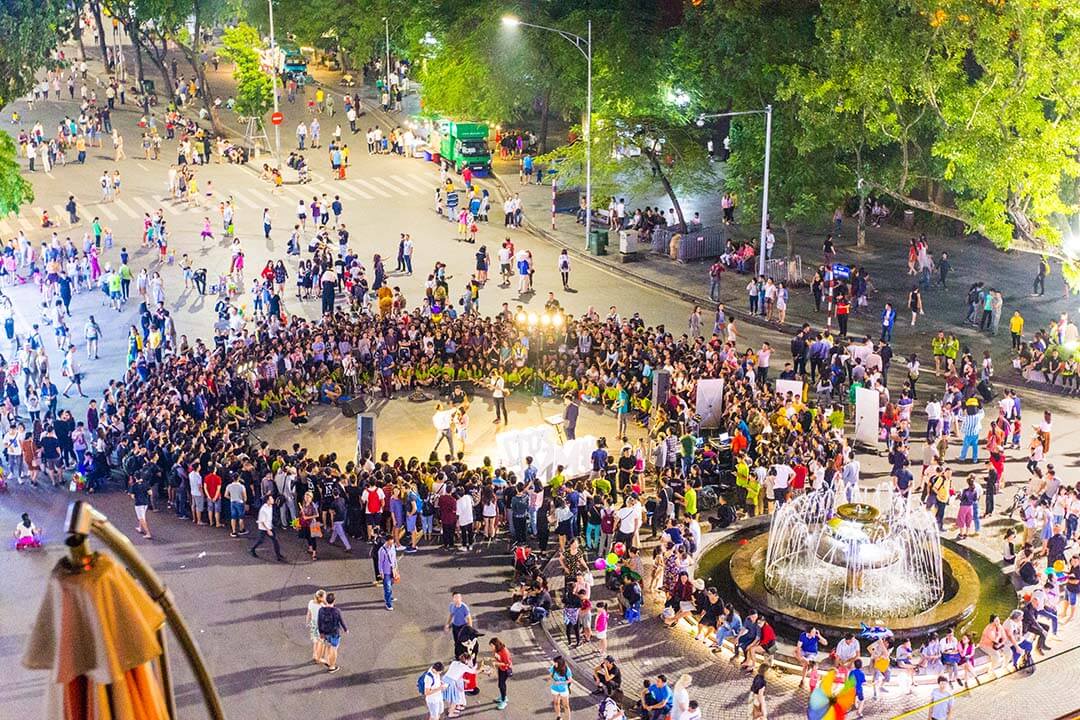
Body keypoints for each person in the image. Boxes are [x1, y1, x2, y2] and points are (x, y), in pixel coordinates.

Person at [316, 592, 348, 673]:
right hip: (334, 633)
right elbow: (341, 621)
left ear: (326, 600)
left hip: (325, 632)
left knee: (329, 645)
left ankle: (326, 659)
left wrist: (321, 633)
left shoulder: (321, 610)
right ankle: (332, 666)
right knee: (334, 648)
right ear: (334, 601)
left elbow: (319, 622)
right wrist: (345, 629)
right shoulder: (336, 611)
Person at [251, 494, 285, 561]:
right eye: (271, 499)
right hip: (263, 528)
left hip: (270, 526)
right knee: (260, 541)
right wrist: (268, 530)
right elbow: (262, 521)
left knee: (275, 541)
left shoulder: (272, 506)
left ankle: (278, 555)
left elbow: (277, 506)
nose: (273, 500)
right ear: (267, 501)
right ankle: (253, 549)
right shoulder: (263, 509)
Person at [489, 637, 512, 710]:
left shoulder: (504, 651)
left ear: (496, 645)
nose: (491, 648)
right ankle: (503, 697)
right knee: (501, 684)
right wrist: (493, 659)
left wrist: (496, 663)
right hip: (501, 669)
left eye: (492, 646)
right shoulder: (497, 650)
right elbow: (499, 659)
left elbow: (507, 664)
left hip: (505, 670)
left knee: (501, 685)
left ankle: (504, 701)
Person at [130, 472, 153, 540]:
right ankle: (140, 528)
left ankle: (148, 533)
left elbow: (132, 496)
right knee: (143, 515)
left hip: (138, 504)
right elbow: (150, 493)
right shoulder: (146, 484)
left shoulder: (134, 486)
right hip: (145, 503)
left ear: (135, 477)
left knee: (141, 518)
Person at [378, 535, 399, 610]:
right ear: (386, 541)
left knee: (391, 584)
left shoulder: (393, 547)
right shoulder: (382, 550)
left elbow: (394, 558)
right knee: (388, 587)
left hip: (392, 570)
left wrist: (396, 568)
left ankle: (388, 596)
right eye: (390, 543)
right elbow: (380, 562)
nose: (391, 544)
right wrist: (381, 572)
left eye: (392, 542)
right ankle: (388, 603)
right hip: (386, 571)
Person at [549, 655, 572, 720]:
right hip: (554, 689)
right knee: (556, 703)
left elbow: (570, 680)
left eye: (555, 662)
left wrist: (561, 682)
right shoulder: (553, 668)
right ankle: (558, 717)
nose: (554, 664)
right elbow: (550, 677)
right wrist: (552, 680)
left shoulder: (567, 670)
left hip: (564, 690)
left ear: (559, 663)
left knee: (566, 706)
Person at [306, 590, 326, 663]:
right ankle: (319, 658)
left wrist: (307, 622)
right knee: (320, 642)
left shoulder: (311, 602)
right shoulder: (322, 606)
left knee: (315, 641)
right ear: (321, 598)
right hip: (320, 625)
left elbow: (309, 613)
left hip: (313, 623)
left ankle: (314, 655)